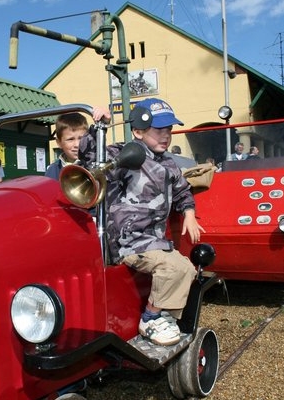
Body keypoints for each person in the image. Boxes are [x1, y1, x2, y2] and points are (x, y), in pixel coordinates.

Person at [79, 98, 204, 346]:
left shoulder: (169, 163)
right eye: (159, 130)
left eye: (168, 130)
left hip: (155, 241)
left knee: (188, 269)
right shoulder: (126, 155)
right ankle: (150, 318)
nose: (166, 136)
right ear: (138, 131)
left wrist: (189, 212)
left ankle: (161, 312)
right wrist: (98, 127)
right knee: (176, 268)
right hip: (129, 241)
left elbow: (181, 191)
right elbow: (91, 158)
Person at [45, 112, 87, 180]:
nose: (77, 144)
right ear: (59, 143)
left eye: (81, 138)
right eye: (70, 139)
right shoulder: (53, 170)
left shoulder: (95, 164)